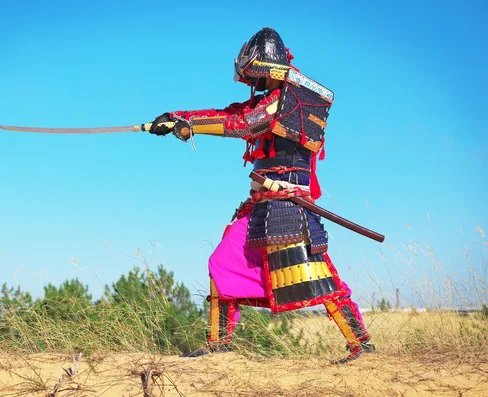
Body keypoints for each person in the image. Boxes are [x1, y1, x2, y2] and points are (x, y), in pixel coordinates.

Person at [149, 27, 374, 363]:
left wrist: (189, 125)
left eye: (257, 76)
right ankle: (219, 345)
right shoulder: (267, 101)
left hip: (287, 206)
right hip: (260, 206)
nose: (254, 83)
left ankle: (361, 344)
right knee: (222, 262)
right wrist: (179, 118)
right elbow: (232, 114)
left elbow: (244, 124)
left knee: (317, 276)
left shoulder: (289, 101)